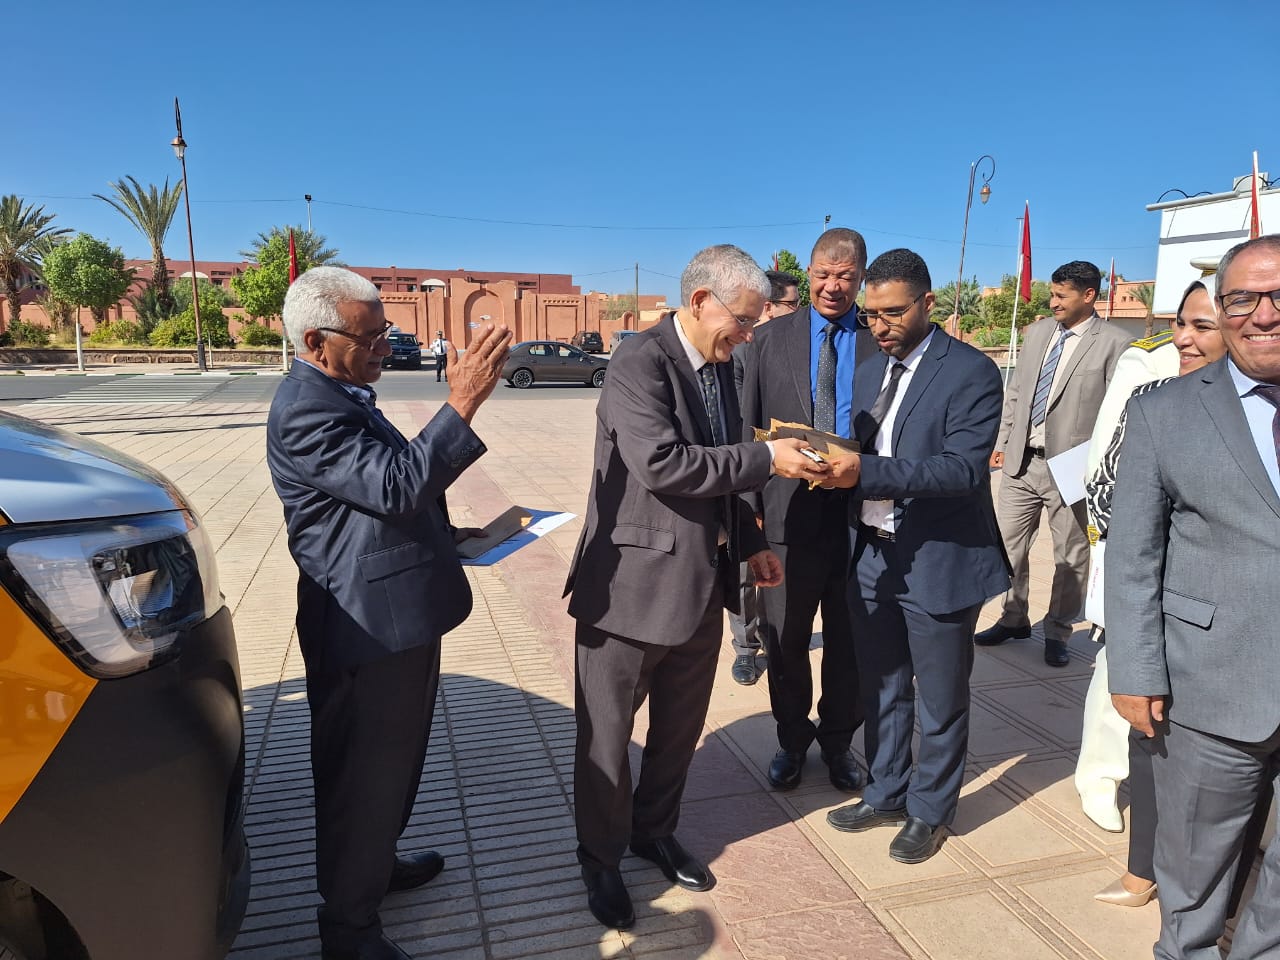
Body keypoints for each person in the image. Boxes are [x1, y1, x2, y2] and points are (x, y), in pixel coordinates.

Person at [564, 245, 828, 931]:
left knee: (678, 731)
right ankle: (600, 858)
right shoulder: (639, 361)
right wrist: (768, 456)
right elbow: (664, 464)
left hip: (701, 586)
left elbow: (720, 471)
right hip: (628, 590)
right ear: (702, 301)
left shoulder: (722, 366)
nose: (749, 334)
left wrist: (752, 543)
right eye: (744, 319)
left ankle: (653, 832)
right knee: (607, 739)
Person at [266, 267, 512, 960]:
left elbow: (373, 501)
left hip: (396, 614)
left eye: (386, 331)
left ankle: (376, 864)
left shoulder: (342, 391)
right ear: (316, 342)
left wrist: (450, 536)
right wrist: (462, 403)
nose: (385, 346)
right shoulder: (306, 408)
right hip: (363, 625)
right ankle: (349, 929)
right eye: (369, 337)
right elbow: (396, 486)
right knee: (362, 777)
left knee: (394, 764)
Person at [1107, 235, 1280, 958]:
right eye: (1242, 299)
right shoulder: (1164, 411)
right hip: (1210, 688)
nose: (1263, 314)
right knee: (1195, 882)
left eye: (1279, 296)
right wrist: (1135, 672)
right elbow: (1132, 554)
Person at [820, 248, 1009, 864]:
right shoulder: (870, 368)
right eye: (871, 315)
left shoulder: (972, 372)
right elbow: (863, 446)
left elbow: (960, 470)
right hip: (871, 556)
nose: (879, 326)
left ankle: (930, 810)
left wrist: (863, 471)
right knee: (883, 686)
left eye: (894, 313)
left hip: (939, 558)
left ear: (929, 303)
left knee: (941, 698)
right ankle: (885, 792)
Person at [740, 229, 876, 790]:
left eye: (845, 276)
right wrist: (749, 511)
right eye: (823, 274)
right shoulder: (768, 339)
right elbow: (746, 426)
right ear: (810, 272)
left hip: (859, 520)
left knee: (850, 642)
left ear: (861, 277)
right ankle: (791, 739)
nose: (832, 286)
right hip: (785, 516)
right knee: (786, 639)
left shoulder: (878, 339)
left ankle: (839, 742)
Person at [976, 261, 1131, 666]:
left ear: (1089, 296)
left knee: (1070, 556)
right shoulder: (1039, 333)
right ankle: (1013, 618)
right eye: (1052, 294)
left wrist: (1100, 468)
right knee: (1008, 546)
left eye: (1062, 295)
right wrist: (1002, 441)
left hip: (1073, 469)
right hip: (1021, 463)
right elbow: (1016, 392)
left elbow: (1119, 412)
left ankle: (1058, 631)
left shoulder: (1116, 343)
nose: (1053, 302)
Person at [727, 269, 802, 685]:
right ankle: (745, 647)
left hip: (790, 480)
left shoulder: (800, 349)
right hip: (747, 473)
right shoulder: (741, 351)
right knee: (745, 569)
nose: (800, 311)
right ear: (769, 307)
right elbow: (740, 423)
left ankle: (777, 639)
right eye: (794, 304)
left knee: (779, 571)